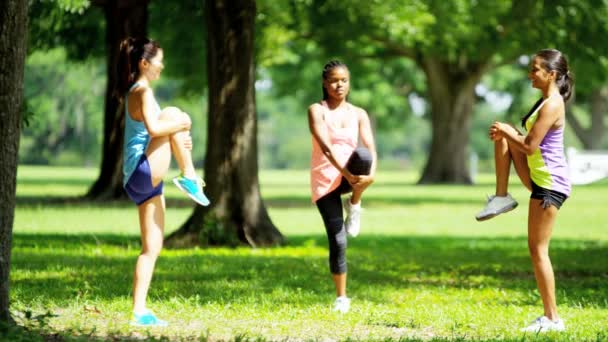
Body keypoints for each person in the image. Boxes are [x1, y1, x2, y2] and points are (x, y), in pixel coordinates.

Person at [475, 49, 573, 332]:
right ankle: (502, 196)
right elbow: (525, 144)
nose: (530, 74)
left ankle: (553, 318)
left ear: (551, 74)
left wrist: (507, 131)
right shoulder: (544, 102)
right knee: (502, 139)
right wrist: (505, 134)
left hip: (551, 183)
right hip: (539, 177)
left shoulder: (553, 104)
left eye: (535, 69)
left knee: (538, 249)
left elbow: (530, 146)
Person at [116, 37, 210, 326]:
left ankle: (139, 312)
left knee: (152, 247)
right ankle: (189, 176)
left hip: (143, 180)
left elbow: (158, 133)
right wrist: (181, 125)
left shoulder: (142, 92)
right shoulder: (141, 91)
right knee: (174, 113)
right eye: (159, 61)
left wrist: (179, 138)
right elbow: (156, 127)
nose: (162, 66)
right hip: (141, 170)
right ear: (144, 64)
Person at [308, 60, 377, 313]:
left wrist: (372, 177)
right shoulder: (317, 110)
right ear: (325, 84)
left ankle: (355, 204)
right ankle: (341, 298)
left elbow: (370, 147)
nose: (339, 85)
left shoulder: (358, 113)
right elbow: (325, 147)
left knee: (364, 155)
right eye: (334, 80)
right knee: (338, 240)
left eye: (344, 80)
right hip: (326, 179)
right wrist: (345, 173)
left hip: (351, 175)